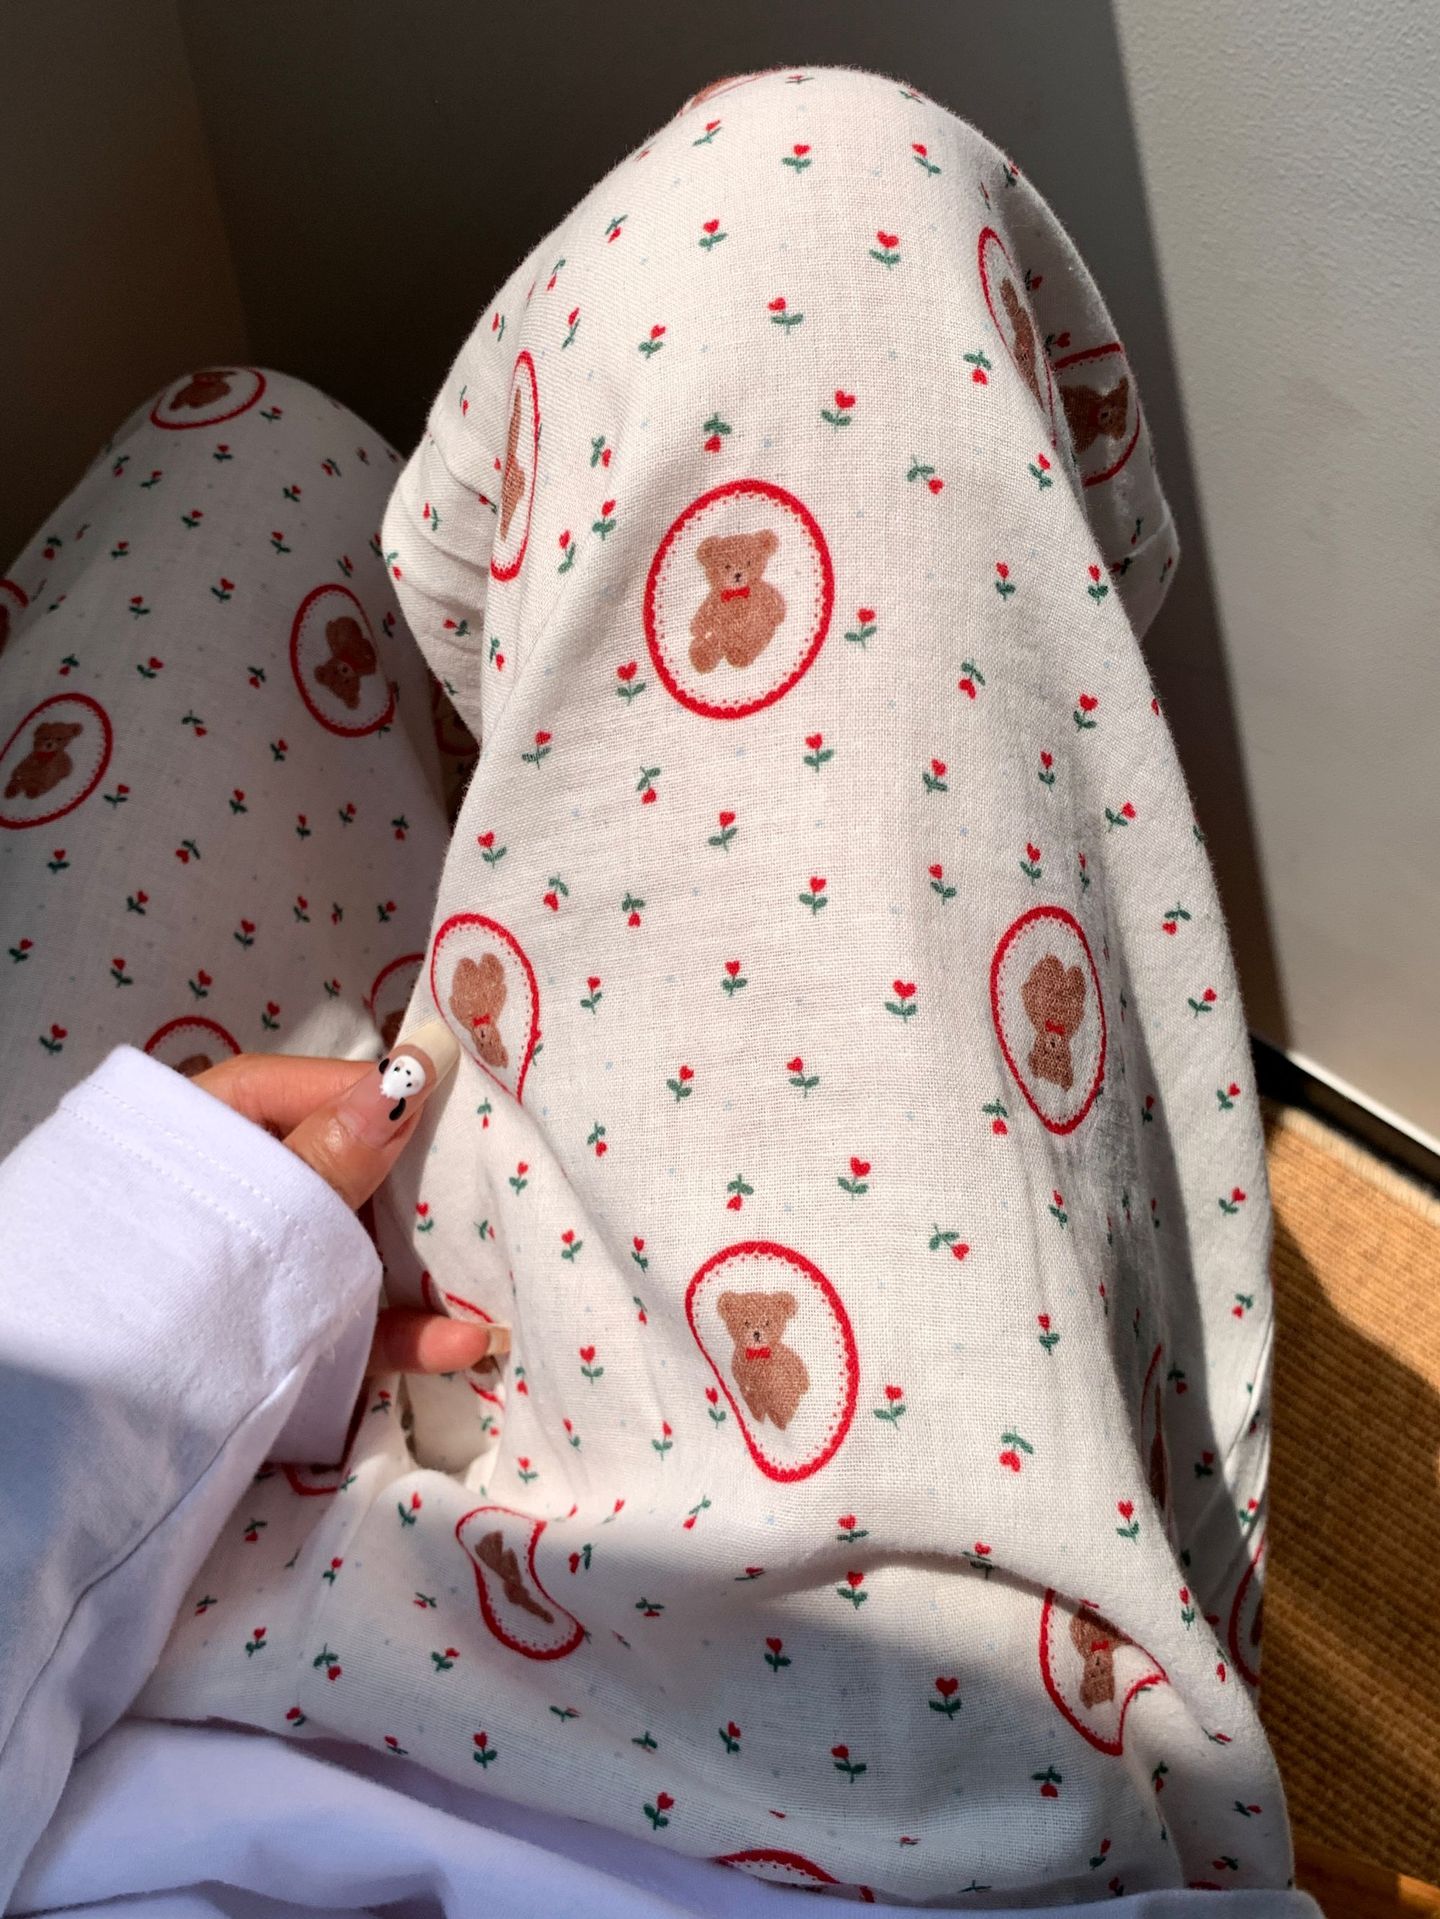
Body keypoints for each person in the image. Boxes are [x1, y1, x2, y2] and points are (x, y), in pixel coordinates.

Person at [0, 65, 1318, 1917]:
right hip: (808, 1798)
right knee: (818, 198)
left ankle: (524, 867)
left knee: (240, 453)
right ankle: (574, 847)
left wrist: (136, 1269)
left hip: (90, 1663)